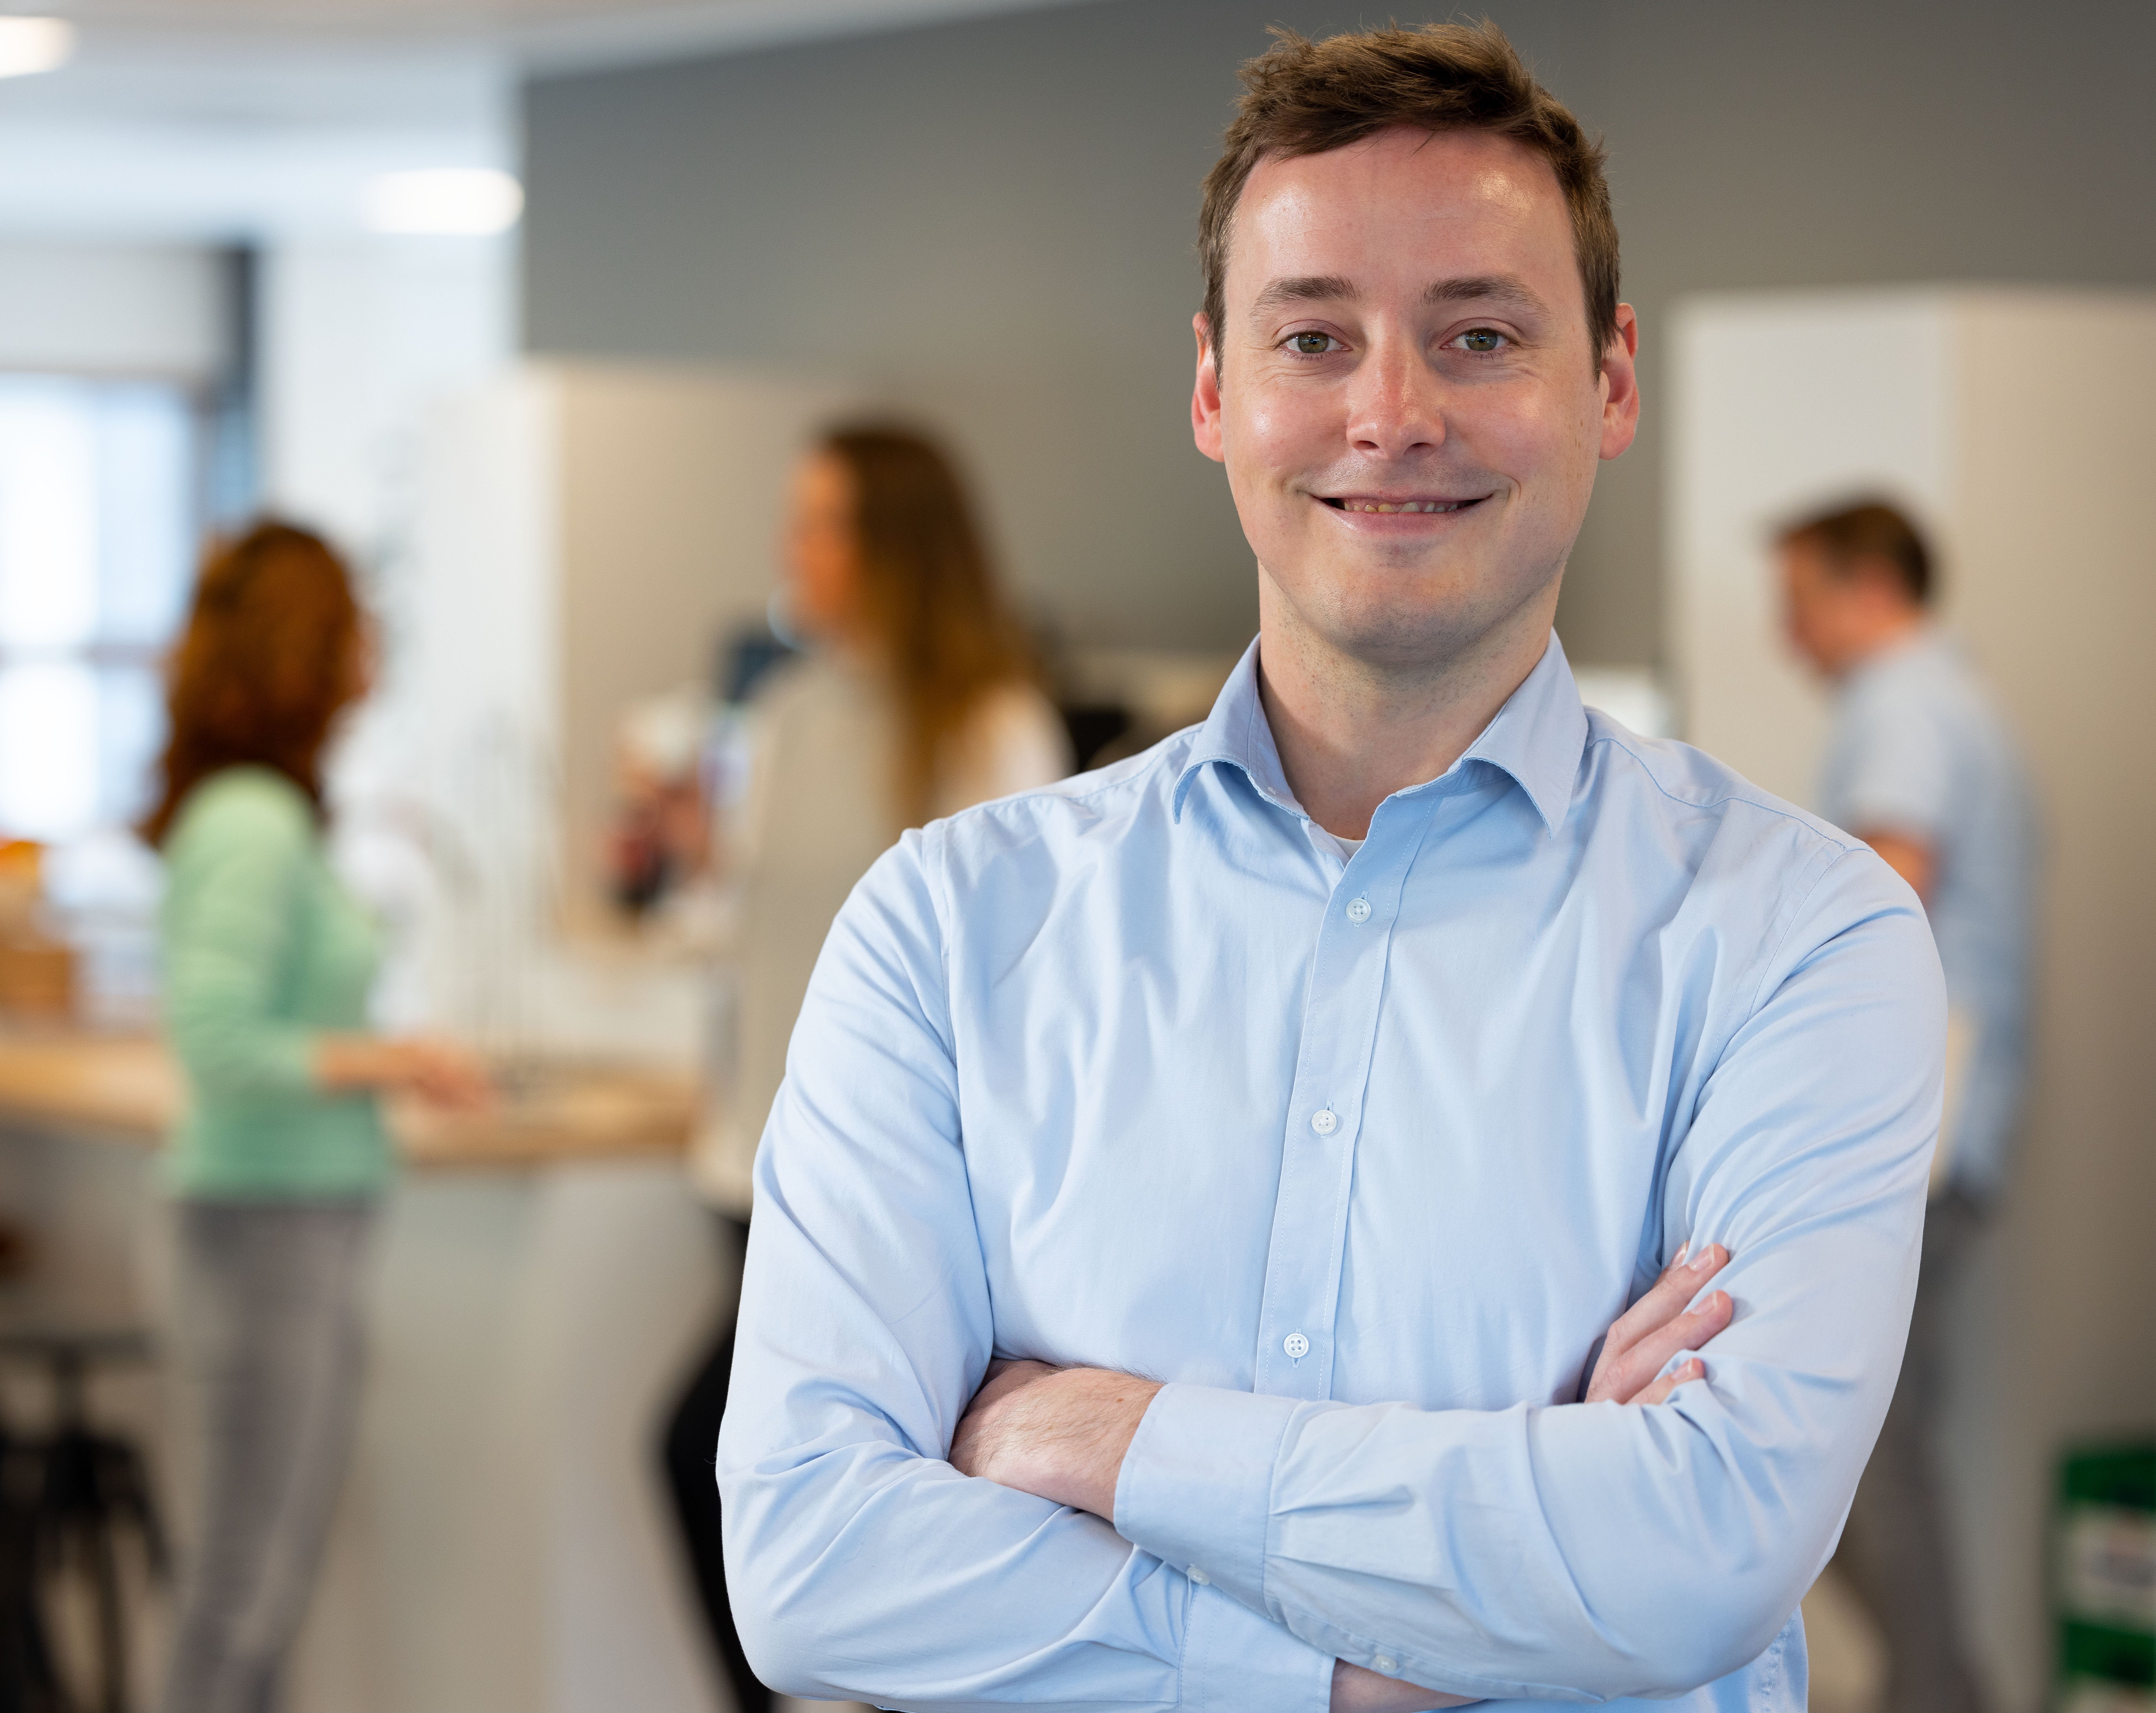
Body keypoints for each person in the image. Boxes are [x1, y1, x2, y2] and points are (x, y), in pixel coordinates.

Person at [718, 23, 1942, 1713]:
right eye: (1314, 336)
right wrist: (1395, 1646)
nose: (1390, 412)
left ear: (1608, 380)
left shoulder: (1797, 937)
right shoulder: (945, 927)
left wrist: (1109, 1438)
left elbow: (1697, 1554)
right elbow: (808, 1565)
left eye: (1479, 334)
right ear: (1214, 389)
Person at [660, 425, 1071, 1713]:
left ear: (893, 544)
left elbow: (1032, 992)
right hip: (748, 1171)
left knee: (734, 1464)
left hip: (899, 1201)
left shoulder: (989, 728)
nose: (792, 552)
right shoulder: (783, 716)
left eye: (818, 524)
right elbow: (737, 930)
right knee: (764, 1492)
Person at [144, 521, 490, 1713]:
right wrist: (394, 1059)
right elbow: (219, 1041)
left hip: (293, 1222)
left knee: (258, 1591)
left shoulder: (272, 814)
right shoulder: (253, 821)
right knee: (240, 1596)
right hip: (266, 1227)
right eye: (356, 615)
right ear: (308, 642)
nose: (374, 641)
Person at [1778, 499, 2033, 1713]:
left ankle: (1942, 1696)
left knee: (1863, 1459)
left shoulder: (1903, 702)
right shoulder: (1953, 697)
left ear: (1864, 584)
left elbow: (1889, 889)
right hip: (1954, 1130)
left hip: (1911, 1143)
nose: (1787, 632)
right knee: (1880, 1452)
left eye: (1796, 598)